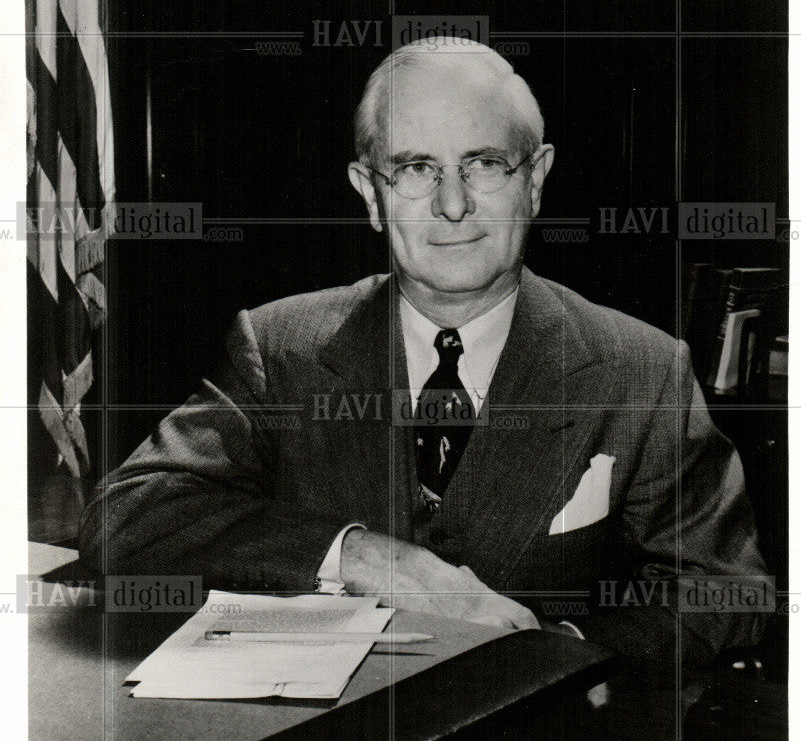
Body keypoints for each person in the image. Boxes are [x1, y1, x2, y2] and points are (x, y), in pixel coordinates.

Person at [79, 37, 770, 667]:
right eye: (414, 168)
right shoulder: (279, 345)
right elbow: (127, 516)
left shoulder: (640, 370)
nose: (451, 203)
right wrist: (359, 557)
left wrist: (557, 657)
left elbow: (723, 591)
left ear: (534, 181)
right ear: (370, 195)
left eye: (485, 165)